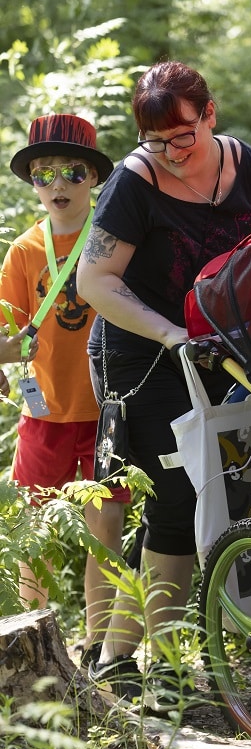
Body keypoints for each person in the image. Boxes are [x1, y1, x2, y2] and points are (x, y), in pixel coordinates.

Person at [77, 60, 251, 705]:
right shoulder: (131, 186)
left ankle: (159, 651)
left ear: (210, 115)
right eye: (156, 141)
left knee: (232, 487)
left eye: (183, 136)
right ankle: (137, 663)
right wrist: (173, 337)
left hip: (224, 345)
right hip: (140, 354)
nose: (171, 153)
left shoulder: (247, 167)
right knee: (174, 495)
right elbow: (94, 283)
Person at [2, 114, 131, 664]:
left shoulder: (115, 238)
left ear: (94, 179)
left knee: (105, 529)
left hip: (108, 413)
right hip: (44, 413)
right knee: (35, 540)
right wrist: (15, 345)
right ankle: (35, 649)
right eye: (45, 173)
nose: (58, 184)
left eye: (74, 172)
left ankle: (98, 647)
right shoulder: (26, 252)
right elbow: (5, 334)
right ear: (32, 180)